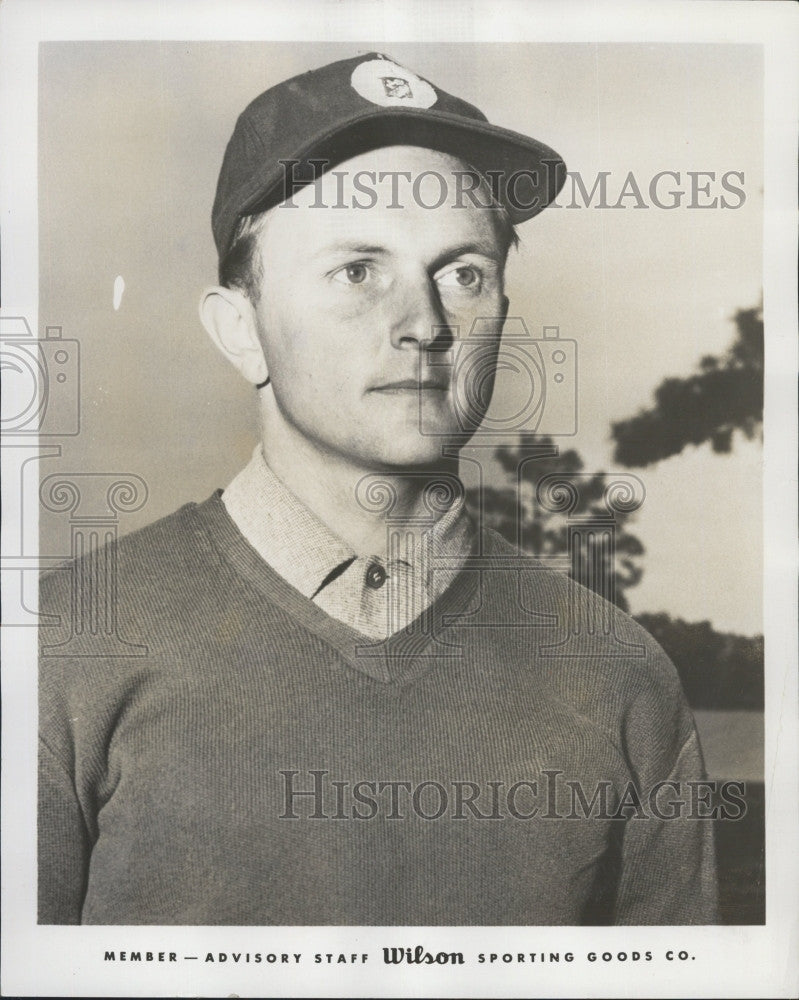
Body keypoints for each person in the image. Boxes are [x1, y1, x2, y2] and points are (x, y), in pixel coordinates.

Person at [38, 52, 717, 925]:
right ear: (240, 331)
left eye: (463, 273)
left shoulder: (620, 675)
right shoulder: (61, 654)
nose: (426, 325)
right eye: (357, 271)